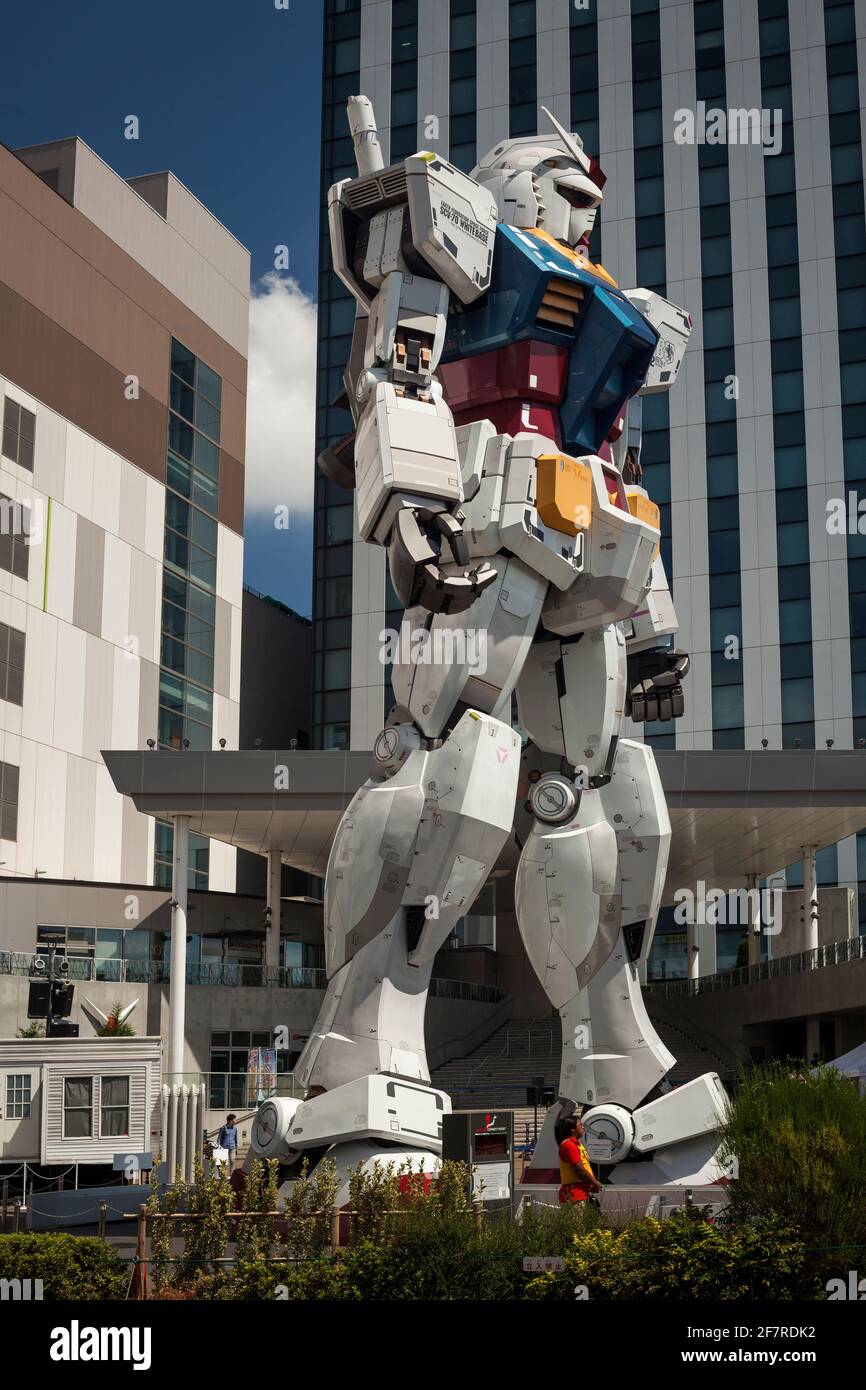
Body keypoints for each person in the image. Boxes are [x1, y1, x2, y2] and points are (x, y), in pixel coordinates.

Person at [556, 1111, 603, 1206]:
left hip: (583, 1192)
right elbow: (579, 1169)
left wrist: (590, 1184)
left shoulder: (577, 1145)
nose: (583, 1127)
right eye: (580, 1124)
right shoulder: (569, 1145)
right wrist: (594, 1182)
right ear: (572, 1129)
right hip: (574, 1194)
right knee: (575, 1221)